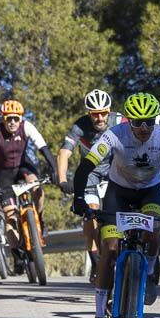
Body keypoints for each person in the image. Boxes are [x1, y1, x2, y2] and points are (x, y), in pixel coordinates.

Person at [71, 92, 160, 318]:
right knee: (109, 250)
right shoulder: (114, 135)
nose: (143, 128)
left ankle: (150, 272)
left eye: (149, 122)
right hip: (117, 193)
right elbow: (85, 167)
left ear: (156, 120)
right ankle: (99, 317)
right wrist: (79, 199)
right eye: (137, 122)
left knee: (154, 231)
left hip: (149, 193)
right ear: (127, 120)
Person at [0, 99, 59, 256]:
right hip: (3, 173)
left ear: (21, 118)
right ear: (3, 119)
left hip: (22, 165)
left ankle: (40, 219)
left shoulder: (27, 126)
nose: (12, 122)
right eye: (8, 118)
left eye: (16, 118)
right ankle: (15, 251)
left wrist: (55, 169)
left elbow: (43, 147)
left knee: (36, 187)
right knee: (10, 215)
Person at [57, 89, 122, 274]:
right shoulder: (80, 126)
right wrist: (62, 180)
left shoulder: (118, 120)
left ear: (109, 111)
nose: (100, 118)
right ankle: (95, 259)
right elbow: (64, 153)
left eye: (103, 113)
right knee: (91, 212)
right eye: (95, 114)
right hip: (90, 173)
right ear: (88, 113)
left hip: (114, 170)